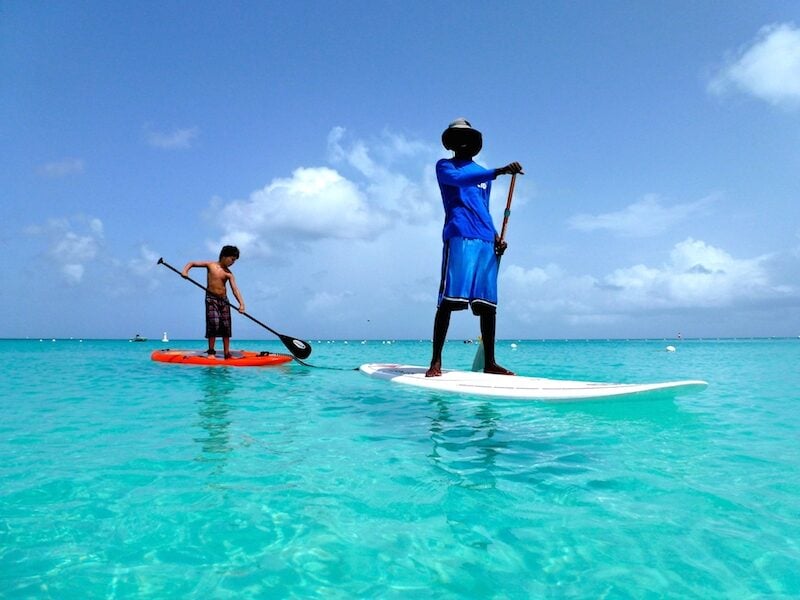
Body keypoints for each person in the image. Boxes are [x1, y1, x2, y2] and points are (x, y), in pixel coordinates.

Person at [426, 118, 523, 377]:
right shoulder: (446, 167)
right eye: (459, 137)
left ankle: (490, 362)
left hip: (484, 240)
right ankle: (436, 361)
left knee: (487, 305)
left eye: (468, 137)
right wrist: (498, 171)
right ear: (452, 143)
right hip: (459, 236)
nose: (464, 141)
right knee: (448, 301)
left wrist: (495, 237)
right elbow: (460, 180)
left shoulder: (483, 174)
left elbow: (484, 209)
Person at [182, 245, 246, 359]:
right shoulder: (210, 265)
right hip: (211, 299)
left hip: (224, 301)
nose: (233, 262)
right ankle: (211, 352)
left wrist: (241, 304)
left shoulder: (229, 274)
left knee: (226, 327)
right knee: (214, 324)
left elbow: (235, 290)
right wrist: (185, 271)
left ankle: (227, 353)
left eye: (234, 260)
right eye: (232, 259)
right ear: (224, 256)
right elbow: (191, 263)